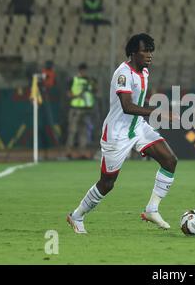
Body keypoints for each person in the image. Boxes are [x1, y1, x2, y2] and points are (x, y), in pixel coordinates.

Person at [67, 34, 178, 233]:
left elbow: (137, 104)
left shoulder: (144, 72)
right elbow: (127, 106)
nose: (149, 55)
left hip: (138, 127)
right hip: (117, 134)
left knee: (169, 160)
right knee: (107, 183)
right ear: (133, 52)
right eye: (145, 50)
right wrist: (157, 112)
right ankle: (76, 216)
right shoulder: (123, 73)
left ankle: (152, 209)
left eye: (151, 51)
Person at [65, 63, 95, 159]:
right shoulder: (73, 80)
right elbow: (68, 94)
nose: (84, 72)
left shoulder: (90, 80)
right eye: (83, 70)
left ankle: (82, 153)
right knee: (72, 131)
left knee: (84, 132)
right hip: (75, 109)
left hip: (86, 109)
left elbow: (94, 91)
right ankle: (68, 152)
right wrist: (78, 95)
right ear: (80, 70)